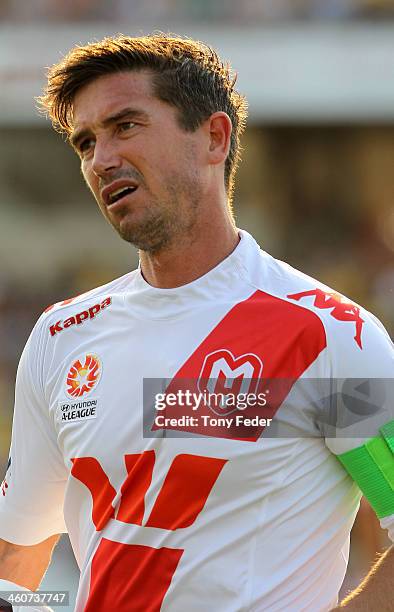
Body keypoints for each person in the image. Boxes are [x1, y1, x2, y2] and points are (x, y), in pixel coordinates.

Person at [0, 34, 393, 612]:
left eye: (126, 125)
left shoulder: (332, 334)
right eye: (85, 142)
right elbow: (20, 552)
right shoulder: (61, 335)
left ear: (214, 137)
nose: (101, 159)